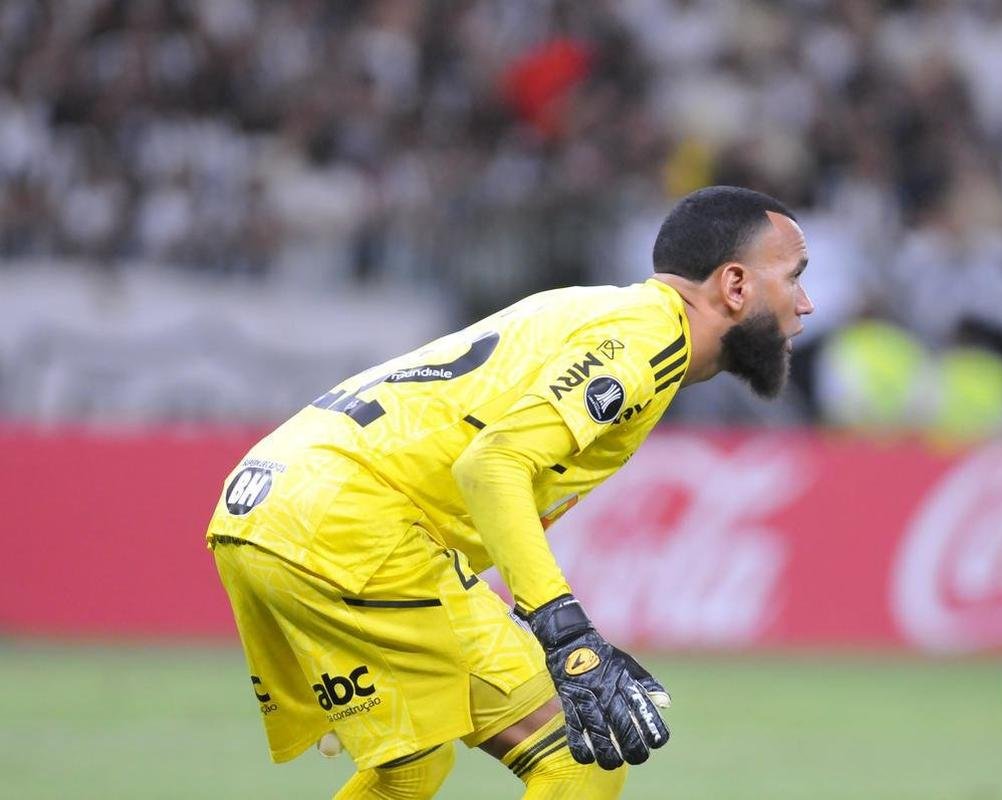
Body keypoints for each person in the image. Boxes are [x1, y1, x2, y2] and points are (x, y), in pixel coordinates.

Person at [205, 186, 813, 798]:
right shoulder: (651, 336)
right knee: (581, 759)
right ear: (734, 286)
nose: (806, 304)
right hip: (350, 517)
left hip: (266, 500)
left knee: (409, 769)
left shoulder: (602, 311)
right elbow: (492, 465)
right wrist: (566, 633)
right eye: (794, 278)